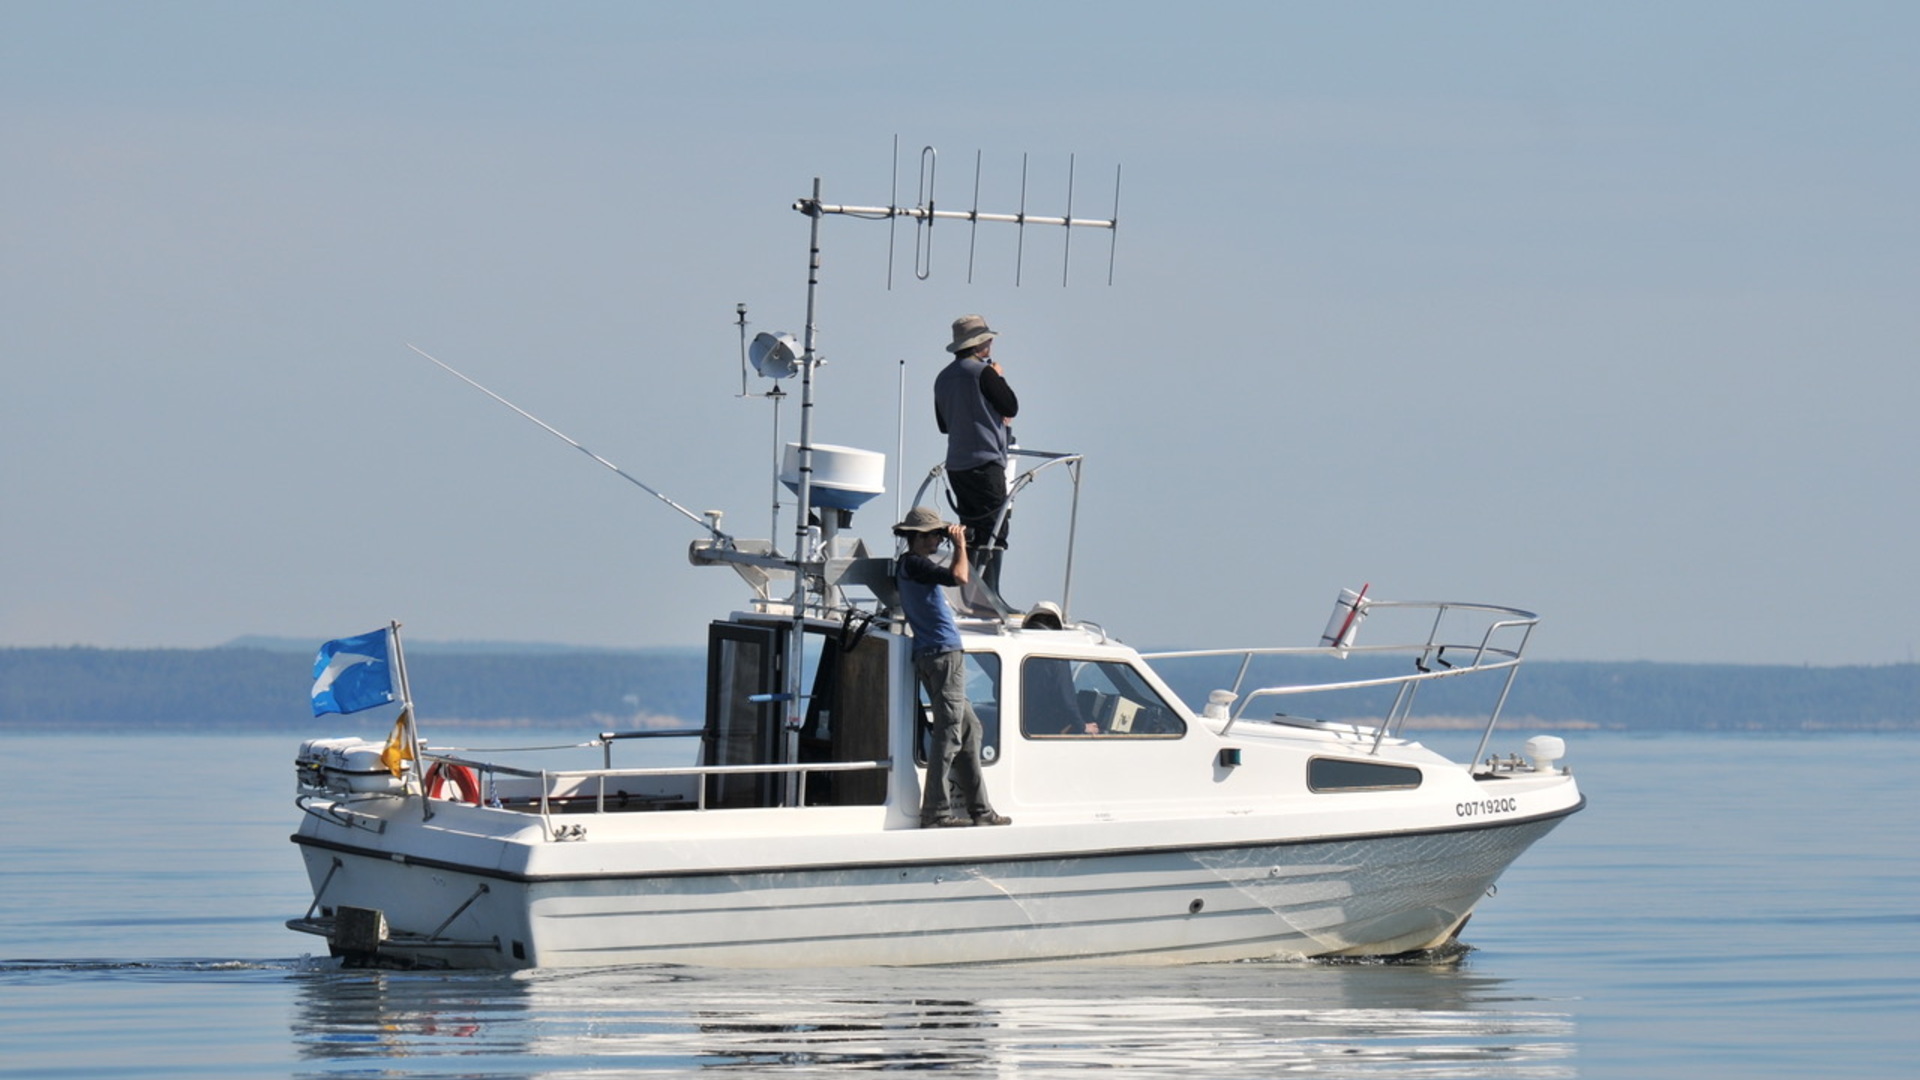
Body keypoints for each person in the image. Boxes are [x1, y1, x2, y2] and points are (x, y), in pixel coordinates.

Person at [893, 505, 1012, 828]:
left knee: (970, 729)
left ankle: (980, 810)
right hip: (942, 655)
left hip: (937, 654)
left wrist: (955, 541)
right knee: (948, 736)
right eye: (935, 535)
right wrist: (960, 545)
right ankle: (935, 812)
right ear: (918, 537)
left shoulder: (909, 565)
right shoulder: (916, 564)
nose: (938, 541)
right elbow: (960, 576)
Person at [934, 314, 1018, 594]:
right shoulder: (984, 372)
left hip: (957, 465)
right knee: (995, 530)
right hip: (986, 463)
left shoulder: (943, 378)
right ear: (980, 344)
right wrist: (998, 377)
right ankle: (990, 596)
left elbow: (944, 424)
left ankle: (969, 595)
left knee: (970, 529)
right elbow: (1010, 406)